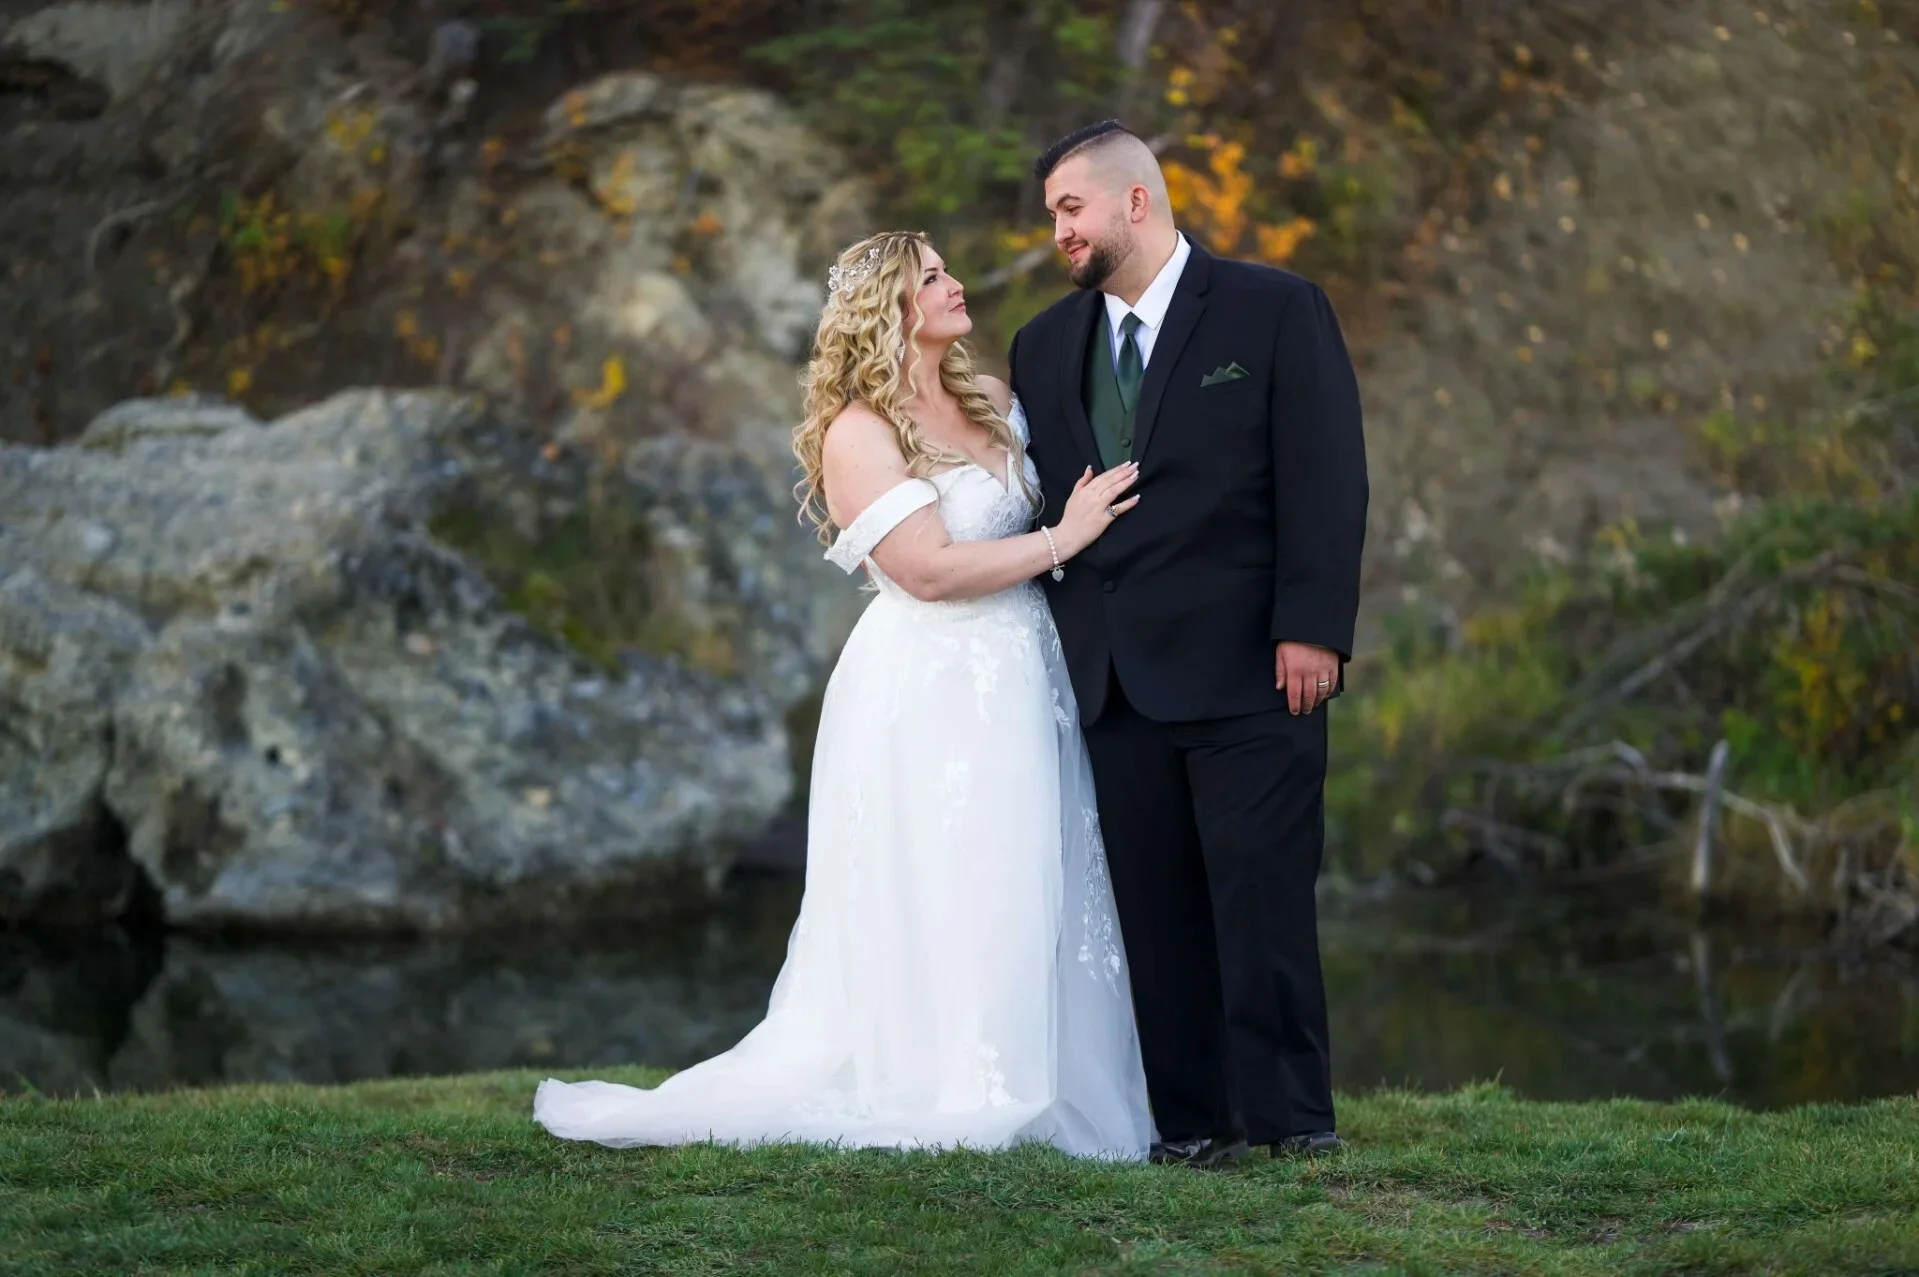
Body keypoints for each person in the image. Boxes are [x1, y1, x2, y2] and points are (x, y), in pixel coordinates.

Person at [534, 230, 1154, 1158]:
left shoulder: (990, 400)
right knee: (952, 871)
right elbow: (930, 572)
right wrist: (1064, 537)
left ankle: (1050, 1076)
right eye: (931, 276)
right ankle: (954, 1080)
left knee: (1034, 857)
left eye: (949, 266)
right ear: (891, 308)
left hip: (1027, 671)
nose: (954, 282)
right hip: (932, 684)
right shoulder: (858, 433)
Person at [1008, 121, 1369, 1167]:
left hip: (1254, 669)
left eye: (1069, 208)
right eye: (1050, 217)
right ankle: (1191, 1125)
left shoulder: (1272, 308)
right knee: (1154, 917)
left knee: (1259, 903)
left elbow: (1324, 476)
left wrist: (1311, 627)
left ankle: (1293, 1118)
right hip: (1112, 680)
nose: (1058, 231)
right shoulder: (1041, 345)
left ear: (1135, 201)